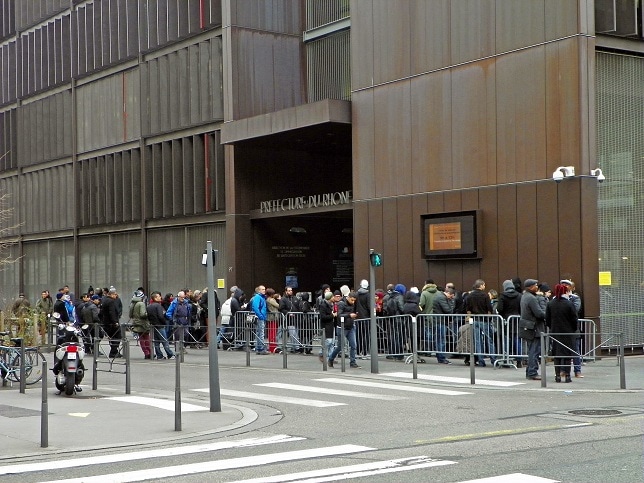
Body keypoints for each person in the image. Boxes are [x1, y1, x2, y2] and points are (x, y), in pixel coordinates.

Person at [546, 284, 579, 383]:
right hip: (568, 332)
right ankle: (568, 376)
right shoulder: (569, 304)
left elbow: (547, 319)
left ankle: (557, 376)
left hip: (555, 332)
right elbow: (574, 319)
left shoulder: (551, 304)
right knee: (567, 354)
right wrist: (573, 329)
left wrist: (552, 327)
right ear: (565, 292)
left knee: (557, 354)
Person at [520, 279, 546, 380]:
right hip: (534, 327)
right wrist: (547, 314)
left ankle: (529, 371)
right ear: (530, 287)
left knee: (531, 350)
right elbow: (539, 313)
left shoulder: (524, 296)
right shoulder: (531, 298)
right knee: (534, 351)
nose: (537, 287)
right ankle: (532, 372)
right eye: (535, 285)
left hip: (527, 326)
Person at [465, 279, 495, 367]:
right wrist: (489, 318)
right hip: (484, 320)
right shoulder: (485, 296)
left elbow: (468, 309)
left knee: (477, 341)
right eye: (484, 285)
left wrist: (469, 317)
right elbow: (489, 308)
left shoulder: (470, 296)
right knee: (489, 340)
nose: (485, 287)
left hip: (474, 320)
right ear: (481, 286)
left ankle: (481, 361)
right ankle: (493, 359)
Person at [329, 291, 360, 368]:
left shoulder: (353, 304)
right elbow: (339, 315)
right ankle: (331, 358)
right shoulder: (341, 303)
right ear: (348, 297)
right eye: (352, 300)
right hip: (342, 327)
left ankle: (353, 362)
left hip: (350, 326)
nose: (353, 302)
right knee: (340, 346)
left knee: (353, 345)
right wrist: (349, 315)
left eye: (354, 300)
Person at [496, 279, 523, 367]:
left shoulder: (502, 296)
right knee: (517, 340)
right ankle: (519, 360)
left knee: (506, 340)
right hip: (516, 320)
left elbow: (500, 309)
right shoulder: (519, 295)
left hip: (506, 321)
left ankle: (506, 359)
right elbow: (521, 308)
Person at [561, 279, 584, 378]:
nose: (565, 287)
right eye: (563, 285)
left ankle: (577, 370)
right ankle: (562, 370)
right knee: (562, 350)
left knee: (575, 350)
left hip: (573, 328)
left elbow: (575, 310)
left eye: (567, 285)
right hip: (562, 328)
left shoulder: (575, 298)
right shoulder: (556, 298)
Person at [431, 286, 456, 364]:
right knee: (441, 340)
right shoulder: (441, 298)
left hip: (439, 321)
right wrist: (452, 303)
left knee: (439, 340)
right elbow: (448, 310)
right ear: (448, 293)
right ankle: (441, 358)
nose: (451, 298)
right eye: (451, 296)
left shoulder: (439, 296)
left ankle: (440, 357)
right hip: (440, 321)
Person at [383, 283, 406, 360]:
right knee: (399, 336)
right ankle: (399, 354)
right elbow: (402, 308)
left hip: (390, 319)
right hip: (398, 319)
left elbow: (385, 308)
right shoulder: (399, 297)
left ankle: (391, 353)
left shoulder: (387, 296)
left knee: (391, 336)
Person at [278, 286, 303, 352]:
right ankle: (296, 347)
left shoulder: (295, 298)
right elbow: (281, 308)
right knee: (292, 333)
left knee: (295, 333)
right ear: (286, 291)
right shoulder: (283, 299)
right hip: (288, 319)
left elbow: (298, 307)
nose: (290, 291)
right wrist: (288, 313)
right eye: (289, 290)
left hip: (296, 318)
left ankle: (294, 347)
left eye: (291, 290)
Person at [100, 288, 122, 358]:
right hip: (112, 323)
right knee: (117, 336)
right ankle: (113, 352)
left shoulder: (104, 300)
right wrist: (115, 322)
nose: (116, 296)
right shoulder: (111, 301)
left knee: (111, 337)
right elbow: (112, 312)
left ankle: (114, 351)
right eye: (115, 294)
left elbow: (101, 312)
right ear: (112, 294)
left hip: (106, 322)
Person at [129, 289, 151, 359]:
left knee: (141, 339)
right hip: (143, 323)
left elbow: (130, 315)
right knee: (147, 338)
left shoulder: (133, 303)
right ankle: (149, 352)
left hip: (136, 323)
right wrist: (148, 314)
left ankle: (145, 352)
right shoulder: (141, 304)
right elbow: (142, 314)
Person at [249, 285, 268, 354]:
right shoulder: (258, 297)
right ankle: (260, 348)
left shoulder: (261, 297)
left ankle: (259, 347)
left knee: (259, 332)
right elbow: (256, 307)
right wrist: (260, 316)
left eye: (264, 289)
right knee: (261, 333)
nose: (264, 290)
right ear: (259, 290)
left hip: (261, 316)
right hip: (260, 317)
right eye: (262, 289)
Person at [318, 291, 336, 363]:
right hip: (326, 325)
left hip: (332, 324)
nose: (333, 298)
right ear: (330, 298)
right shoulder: (323, 305)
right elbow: (323, 317)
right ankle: (321, 353)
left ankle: (330, 358)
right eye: (332, 296)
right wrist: (332, 315)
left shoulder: (332, 304)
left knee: (332, 343)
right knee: (329, 341)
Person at [355, 279, 371, 358]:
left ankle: (358, 351)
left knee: (358, 335)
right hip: (366, 317)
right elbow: (369, 306)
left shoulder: (357, 294)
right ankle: (365, 352)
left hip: (358, 317)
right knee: (366, 335)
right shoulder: (368, 295)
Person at [265, 288, 281, 353]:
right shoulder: (271, 300)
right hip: (273, 317)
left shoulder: (267, 299)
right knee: (273, 333)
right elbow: (278, 306)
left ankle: (272, 346)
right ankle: (272, 347)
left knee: (271, 332)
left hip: (270, 317)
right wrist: (280, 300)